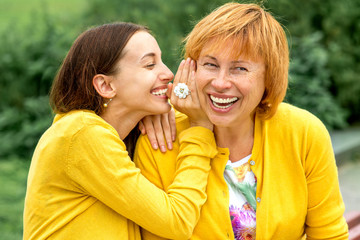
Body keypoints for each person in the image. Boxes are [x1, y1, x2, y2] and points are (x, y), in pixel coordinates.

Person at [134, 3, 349, 239]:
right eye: (211, 64)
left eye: (239, 68)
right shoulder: (159, 141)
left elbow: (329, 234)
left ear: (269, 77)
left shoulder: (304, 133)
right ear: (192, 68)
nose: (221, 82)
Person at [23, 22, 216, 240]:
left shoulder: (90, 132)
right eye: (150, 65)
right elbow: (177, 221)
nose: (168, 73)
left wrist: (150, 110)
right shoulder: (82, 133)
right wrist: (200, 130)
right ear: (105, 86)